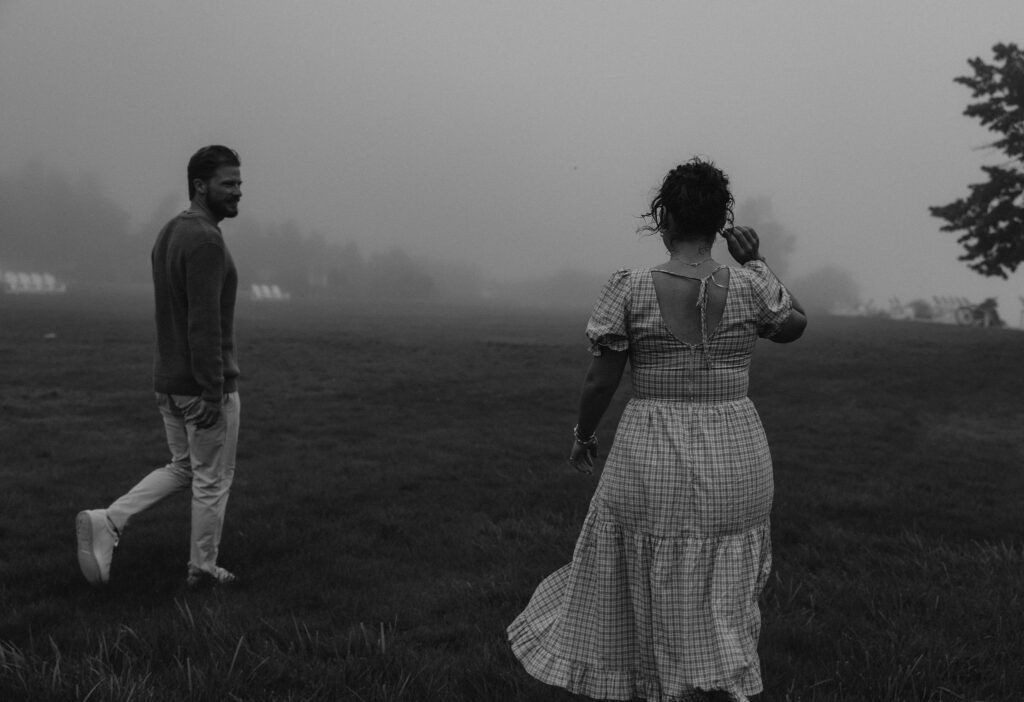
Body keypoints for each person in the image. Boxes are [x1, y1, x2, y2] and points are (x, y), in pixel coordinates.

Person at [508, 157, 807, 701]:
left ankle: (661, 685)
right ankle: (717, 682)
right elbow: (795, 325)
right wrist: (758, 260)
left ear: (663, 216)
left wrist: (584, 435)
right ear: (721, 223)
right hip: (737, 456)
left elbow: (601, 381)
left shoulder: (629, 288)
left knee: (649, 571)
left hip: (653, 453)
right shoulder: (749, 286)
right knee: (721, 582)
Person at [76, 145, 244, 589]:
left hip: (168, 381)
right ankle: (203, 570)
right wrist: (213, 390)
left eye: (240, 183)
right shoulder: (206, 240)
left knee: (185, 468)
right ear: (200, 186)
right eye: (228, 183)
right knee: (212, 479)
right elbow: (203, 323)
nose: (238, 192)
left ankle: (108, 520)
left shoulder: (169, 232)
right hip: (199, 386)